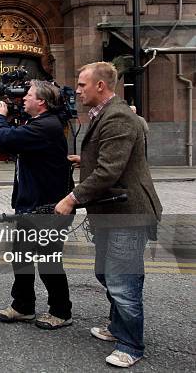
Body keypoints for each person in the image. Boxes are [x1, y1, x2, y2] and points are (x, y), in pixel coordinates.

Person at [55, 62, 162, 368]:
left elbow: (109, 171)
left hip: (127, 212)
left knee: (123, 281)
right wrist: (84, 159)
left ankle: (130, 344)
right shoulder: (106, 114)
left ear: (100, 86)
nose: (77, 90)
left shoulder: (117, 117)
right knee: (107, 274)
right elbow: (107, 159)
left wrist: (72, 198)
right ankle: (118, 328)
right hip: (111, 211)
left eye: (81, 84)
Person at [0, 80, 74, 330]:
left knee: (49, 262)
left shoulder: (46, 126)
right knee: (21, 257)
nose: (23, 98)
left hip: (48, 208)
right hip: (31, 205)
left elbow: (4, 139)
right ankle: (23, 306)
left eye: (28, 94)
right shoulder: (39, 123)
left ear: (41, 101)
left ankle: (61, 311)